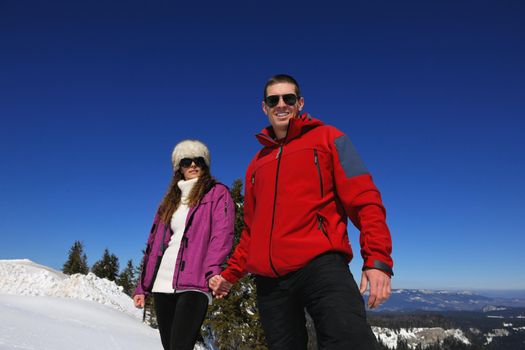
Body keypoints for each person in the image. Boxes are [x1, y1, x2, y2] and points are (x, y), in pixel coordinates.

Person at [209, 74, 393, 349]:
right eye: (274, 100)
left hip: (321, 266)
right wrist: (229, 275)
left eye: (288, 98)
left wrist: (377, 258)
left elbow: (364, 198)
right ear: (264, 107)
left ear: (300, 103)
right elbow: (251, 231)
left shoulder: (331, 138)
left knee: (350, 340)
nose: (281, 104)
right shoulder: (256, 165)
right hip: (270, 284)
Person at [133, 139, 235, 350]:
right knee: (169, 346)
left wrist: (214, 271)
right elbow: (154, 246)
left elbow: (222, 234)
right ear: (178, 167)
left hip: (195, 282)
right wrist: (142, 286)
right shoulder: (169, 202)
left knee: (181, 346)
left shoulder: (217, 193)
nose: (193, 165)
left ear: (205, 165)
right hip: (163, 283)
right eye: (186, 161)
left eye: (199, 160)